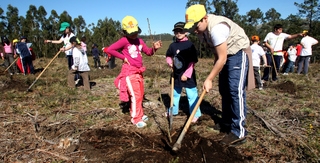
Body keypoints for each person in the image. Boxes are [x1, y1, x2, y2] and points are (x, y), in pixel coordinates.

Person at [184, 4, 255, 146]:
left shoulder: (217, 28)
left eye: (196, 26)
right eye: (191, 27)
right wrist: (214, 72)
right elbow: (218, 55)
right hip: (225, 56)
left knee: (235, 90)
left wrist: (209, 78)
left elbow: (222, 58)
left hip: (237, 53)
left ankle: (239, 132)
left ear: (204, 19)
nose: (194, 30)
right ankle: (227, 122)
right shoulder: (202, 31)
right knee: (224, 89)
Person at [107, 15, 162, 128]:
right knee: (136, 95)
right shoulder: (124, 41)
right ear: (124, 32)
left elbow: (148, 52)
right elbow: (110, 49)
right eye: (131, 33)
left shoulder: (140, 41)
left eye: (135, 32)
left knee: (140, 94)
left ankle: (140, 114)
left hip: (139, 72)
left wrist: (154, 48)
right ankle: (136, 118)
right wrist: (123, 57)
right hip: (129, 72)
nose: (134, 35)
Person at [165, 21, 202, 123]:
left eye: (181, 31)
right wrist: (170, 63)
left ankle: (195, 113)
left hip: (188, 76)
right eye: (176, 31)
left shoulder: (189, 45)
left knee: (192, 95)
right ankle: (173, 110)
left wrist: (187, 74)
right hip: (176, 75)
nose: (178, 33)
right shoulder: (173, 45)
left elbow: (192, 62)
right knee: (175, 94)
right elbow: (168, 56)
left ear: (186, 32)